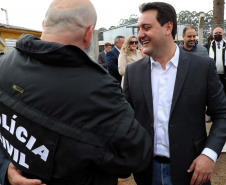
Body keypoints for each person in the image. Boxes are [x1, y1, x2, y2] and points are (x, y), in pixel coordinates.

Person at [0, 0, 152, 185]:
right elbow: (137, 155)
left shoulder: (4, 65)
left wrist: (5, 168)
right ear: (89, 34)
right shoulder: (98, 90)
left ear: (43, 24)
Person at [123, 2, 226, 185]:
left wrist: (209, 155)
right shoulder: (133, 72)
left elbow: (222, 114)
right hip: (146, 172)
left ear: (168, 27)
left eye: (146, 28)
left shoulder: (202, 67)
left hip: (191, 171)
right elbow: (124, 120)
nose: (140, 35)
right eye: (139, 29)